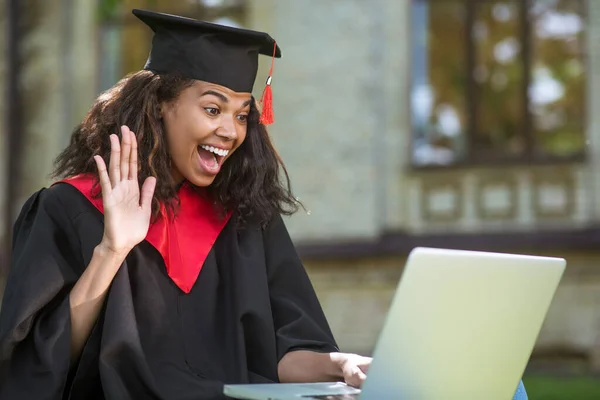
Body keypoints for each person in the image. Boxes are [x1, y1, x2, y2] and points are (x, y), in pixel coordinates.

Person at [0, 8, 527, 400]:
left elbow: (282, 356)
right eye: (212, 108)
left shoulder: (244, 218)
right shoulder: (69, 209)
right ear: (159, 106)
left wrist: (345, 365)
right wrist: (112, 250)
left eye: (243, 114)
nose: (230, 131)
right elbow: (37, 370)